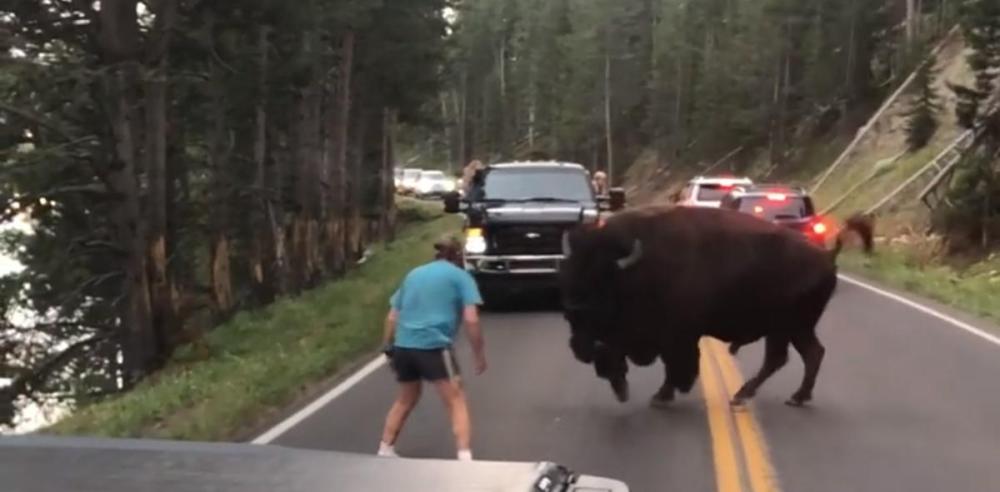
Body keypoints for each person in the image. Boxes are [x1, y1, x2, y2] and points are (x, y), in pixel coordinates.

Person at [377, 235, 487, 461]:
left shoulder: (414, 274)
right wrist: (479, 355)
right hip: (434, 347)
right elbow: (471, 319)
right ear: (458, 255)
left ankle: (385, 449)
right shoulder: (461, 277)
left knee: (406, 398)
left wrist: (387, 346)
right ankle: (465, 458)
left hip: (404, 345)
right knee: (455, 399)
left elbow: (392, 315)